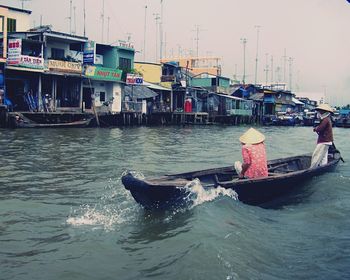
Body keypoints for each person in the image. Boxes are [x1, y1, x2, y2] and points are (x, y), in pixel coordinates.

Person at [310, 103, 334, 168]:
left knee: (316, 155)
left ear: (323, 111)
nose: (318, 112)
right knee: (323, 156)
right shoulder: (326, 118)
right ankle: (323, 167)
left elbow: (320, 128)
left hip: (324, 140)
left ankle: (312, 168)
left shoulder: (325, 119)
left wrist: (315, 128)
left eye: (320, 111)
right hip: (327, 140)